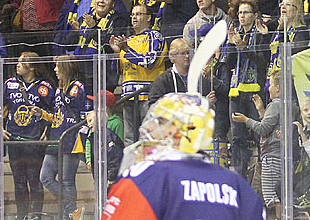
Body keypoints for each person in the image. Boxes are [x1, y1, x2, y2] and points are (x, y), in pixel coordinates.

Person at [101, 92, 265, 220]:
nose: (149, 129)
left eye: (159, 124)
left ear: (180, 133)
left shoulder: (144, 177)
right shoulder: (235, 184)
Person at [3, 52, 55, 220]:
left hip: (34, 141)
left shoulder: (45, 87)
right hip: (14, 140)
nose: (17, 65)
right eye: (17, 62)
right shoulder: (10, 84)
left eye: (22, 62)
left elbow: (55, 112)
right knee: (18, 181)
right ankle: (21, 216)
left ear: (31, 66)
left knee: (34, 180)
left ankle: (36, 216)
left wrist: (47, 132)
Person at [231, 69, 288, 218]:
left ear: (278, 88)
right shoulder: (287, 104)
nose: (268, 88)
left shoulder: (276, 105)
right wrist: (261, 110)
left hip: (273, 156)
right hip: (278, 155)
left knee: (272, 195)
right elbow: (271, 126)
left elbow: (263, 129)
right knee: (276, 193)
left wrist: (245, 120)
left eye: (270, 84)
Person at [38, 55, 88, 220]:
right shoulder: (59, 89)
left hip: (71, 137)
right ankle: (72, 208)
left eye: (58, 66)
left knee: (67, 180)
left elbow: (76, 107)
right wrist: (43, 114)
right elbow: (58, 114)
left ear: (66, 67)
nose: (55, 70)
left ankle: (70, 214)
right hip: (55, 137)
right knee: (45, 176)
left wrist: (62, 92)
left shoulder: (76, 87)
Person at [111, 4, 167, 145]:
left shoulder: (155, 36)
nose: (134, 17)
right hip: (128, 97)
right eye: (133, 14)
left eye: (139, 14)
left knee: (149, 138)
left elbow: (150, 62)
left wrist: (126, 49)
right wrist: (116, 52)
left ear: (148, 18)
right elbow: (117, 71)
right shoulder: (127, 41)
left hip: (147, 96)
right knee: (130, 141)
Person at [225, 0, 269, 180]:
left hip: (255, 91)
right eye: (240, 13)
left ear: (255, 15)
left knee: (259, 133)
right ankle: (239, 176)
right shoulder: (235, 34)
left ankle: (262, 176)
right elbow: (228, 64)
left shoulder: (261, 34)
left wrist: (243, 47)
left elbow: (262, 61)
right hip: (236, 92)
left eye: (246, 12)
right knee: (237, 137)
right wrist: (231, 45)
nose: (242, 16)